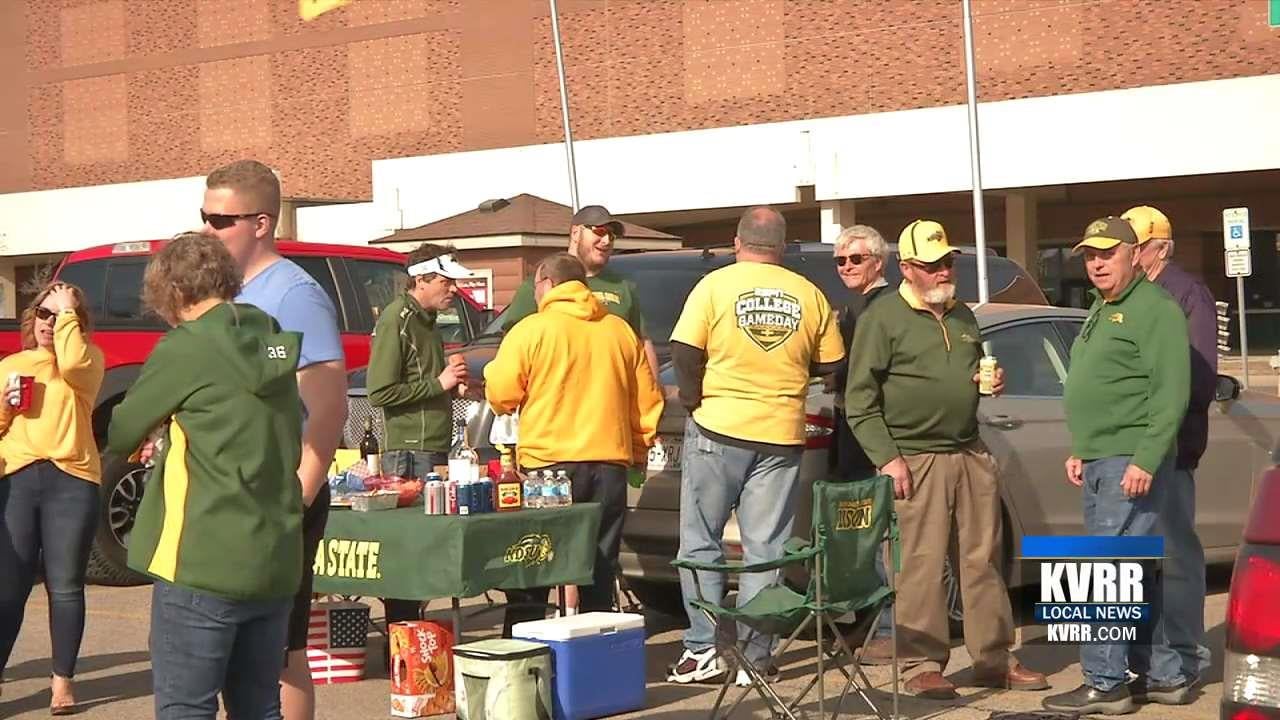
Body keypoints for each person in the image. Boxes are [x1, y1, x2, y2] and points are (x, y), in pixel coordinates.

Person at [845, 220, 1047, 699]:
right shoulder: (883, 318)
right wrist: (888, 459)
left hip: (969, 449)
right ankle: (921, 662)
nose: (943, 271)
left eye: (947, 262)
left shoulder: (962, 315)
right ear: (907, 267)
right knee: (920, 564)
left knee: (982, 561)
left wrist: (989, 384)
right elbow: (859, 400)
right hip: (914, 457)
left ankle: (993, 658)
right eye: (932, 265)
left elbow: (970, 371)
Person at [107, 232, 305, 720]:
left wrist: (163, 423)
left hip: (202, 557)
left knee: (185, 709)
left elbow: (121, 428)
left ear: (172, 292)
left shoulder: (188, 346)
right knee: (259, 708)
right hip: (274, 559)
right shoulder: (270, 333)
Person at [667, 207, 845, 686]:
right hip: (781, 434)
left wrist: (693, 399)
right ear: (782, 247)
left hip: (718, 428)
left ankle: (702, 648)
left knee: (701, 540)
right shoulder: (809, 294)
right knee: (764, 548)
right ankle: (756, 656)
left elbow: (685, 351)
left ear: (736, 241)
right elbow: (833, 366)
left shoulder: (714, 286)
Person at [201, 159, 348, 720]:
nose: (207, 230)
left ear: (262, 223)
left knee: (280, 652)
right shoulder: (230, 294)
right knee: (236, 650)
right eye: (204, 217)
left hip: (279, 497)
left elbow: (328, 405)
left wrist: (297, 497)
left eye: (221, 221)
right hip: (233, 498)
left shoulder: (293, 295)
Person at [1044, 217, 1190, 715]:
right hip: (1103, 456)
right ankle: (1164, 675)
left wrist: (1146, 458)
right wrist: (1082, 446)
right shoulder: (1103, 308)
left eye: (1107, 253)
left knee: (1101, 570)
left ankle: (1104, 682)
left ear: (1134, 253)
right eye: (1089, 256)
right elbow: (1102, 387)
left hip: (1132, 458)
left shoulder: (1155, 309)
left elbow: (1170, 392)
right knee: (1131, 571)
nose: (1097, 263)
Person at [485, 252, 663, 635]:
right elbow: (646, 402)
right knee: (599, 565)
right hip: (608, 464)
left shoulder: (532, 330)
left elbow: (501, 394)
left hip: (548, 468)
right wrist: (637, 452)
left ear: (547, 283)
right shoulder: (619, 331)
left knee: (534, 564)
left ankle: (523, 654)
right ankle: (596, 659)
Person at [0, 282, 104, 714]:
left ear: (76, 324)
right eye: (43, 313)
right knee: (8, 588)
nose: (49, 322)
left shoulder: (87, 360)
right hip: (18, 479)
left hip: (71, 480)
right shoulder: (12, 363)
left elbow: (77, 364)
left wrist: (67, 315)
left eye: (60, 315)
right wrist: (6, 407)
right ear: (32, 318)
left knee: (64, 586)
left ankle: (62, 681)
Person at [1123, 204, 1214, 692]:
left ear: (1157, 247)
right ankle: (1148, 660)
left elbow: (1197, 378)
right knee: (1138, 557)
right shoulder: (1127, 296)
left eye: (1134, 246)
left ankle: (1184, 658)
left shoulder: (1185, 293)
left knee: (1175, 554)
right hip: (1129, 448)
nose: (1128, 255)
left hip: (1172, 448)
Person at [367, 242, 476, 627]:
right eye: (447, 282)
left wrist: (455, 384)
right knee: (408, 552)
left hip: (432, 447)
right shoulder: (396, 318)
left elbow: (426, 380)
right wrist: (439, 383)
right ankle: (403, 634)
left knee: (426, 548)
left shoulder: (428, 321)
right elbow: (380, 391)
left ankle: (416, 635)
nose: (454, 290)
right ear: (422, 279)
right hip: (408, 452)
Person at [825, 224, 896, 662]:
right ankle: (869, 624)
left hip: (878, 436)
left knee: (883, 537)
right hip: (847, 432)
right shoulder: (853, 307)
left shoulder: (887, 307)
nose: (847, 266)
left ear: (878, 262)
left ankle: (889, 630)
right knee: (859, 536)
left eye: (856, 259)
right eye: (840, 260)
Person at [502, 204, 660, 381]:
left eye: (612, 235)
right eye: (599, 231)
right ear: (576, 233)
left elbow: (643, 344)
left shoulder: (623, 286)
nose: (607, 241)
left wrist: (654, 395)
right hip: (556, 398)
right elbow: (513, 345)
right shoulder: (540, 284)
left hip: (612, 399)